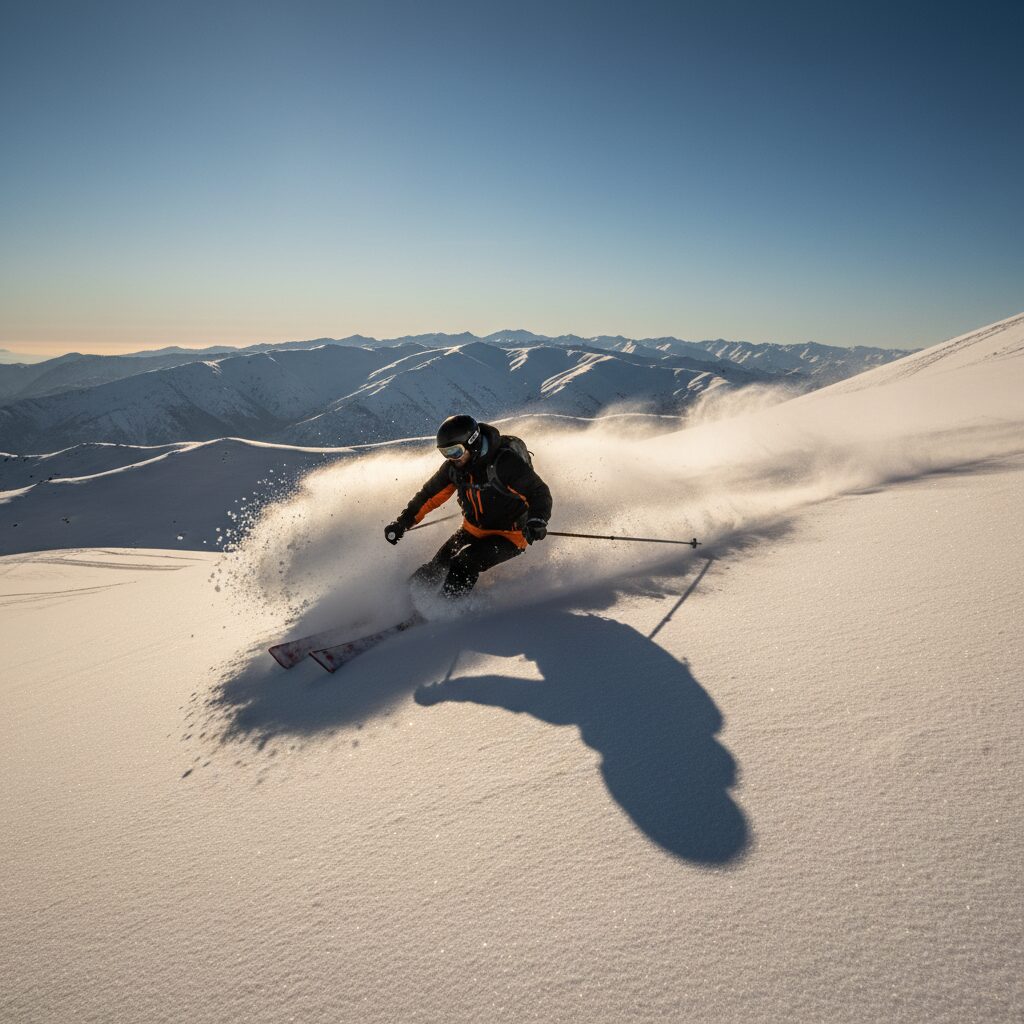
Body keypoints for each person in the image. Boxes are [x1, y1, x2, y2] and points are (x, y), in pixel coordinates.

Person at [385, 414, 553, 599]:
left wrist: (537, 520)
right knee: (438, 565)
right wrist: (403, 522)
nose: (452, 459)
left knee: (464, 563)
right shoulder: (454, 468)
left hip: (510, 535)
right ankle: (399, 601)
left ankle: (442, 610)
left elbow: (538, 492)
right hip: (472, 529)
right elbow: (428, 496)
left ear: (472, 443)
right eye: (446, 453)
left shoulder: (504, 463)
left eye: (455, 452)